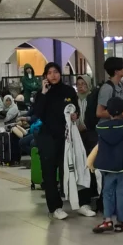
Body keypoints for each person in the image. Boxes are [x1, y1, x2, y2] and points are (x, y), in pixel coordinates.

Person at [30, 62, 86, 220]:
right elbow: (38, 113)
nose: (53, 75)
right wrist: (43, 92)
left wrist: (75, 115)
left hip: (67, 137)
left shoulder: (68, 91)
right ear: (45, 76)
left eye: (56, 72)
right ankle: (54, 207)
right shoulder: (42, 94)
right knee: (49, 173)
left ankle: (78, 202)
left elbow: (75, 108)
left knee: (69, 169)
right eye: (49, 73)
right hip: (47, 137)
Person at [92, 96, 123, 234]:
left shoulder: (100, 127)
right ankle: (121, 223)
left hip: (107, 166)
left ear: (109, 112)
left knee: (107, 192)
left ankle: (107, 220)